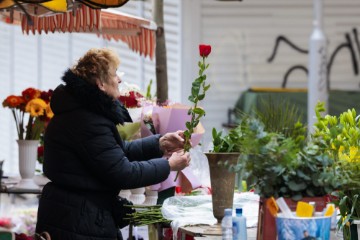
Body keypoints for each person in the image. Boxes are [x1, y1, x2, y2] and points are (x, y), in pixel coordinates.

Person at [35, 48, 190, 240]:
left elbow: (116, 152)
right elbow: (123, 173)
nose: (119, 79)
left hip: (73, 214)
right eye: (114, 73)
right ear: (100, 83)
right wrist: (168, 165)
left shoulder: (82, 113)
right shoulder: (87, 121)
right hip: (80, 221)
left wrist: (161, 143)